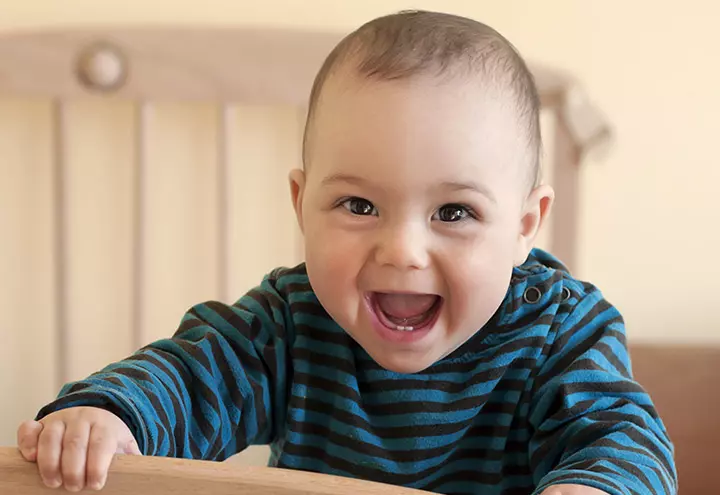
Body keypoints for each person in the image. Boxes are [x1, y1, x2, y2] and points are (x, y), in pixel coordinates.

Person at [16, 10, 677, 495]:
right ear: (302, 204)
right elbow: (192, 379)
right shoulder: (289, 324)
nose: (402, 249)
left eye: (454, 212)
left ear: (526, 224)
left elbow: (620, 435)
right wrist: (109, 414)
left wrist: (595, 486)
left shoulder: (560, 330)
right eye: (360, 205)